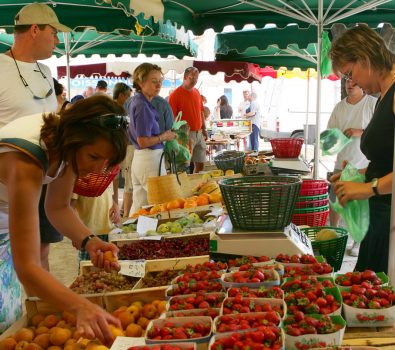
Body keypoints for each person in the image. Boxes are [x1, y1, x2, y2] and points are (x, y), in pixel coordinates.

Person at [0, 95, 128, 341]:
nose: (99, 168)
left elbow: (58, 207)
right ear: (76, 139)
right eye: (93, 157)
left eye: (106, 161)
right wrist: (80, 306)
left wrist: (89, 240)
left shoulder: (67, 145)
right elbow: (27, 267)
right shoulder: (27, 160)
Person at [0, 3, 71, 330]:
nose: (57, 38)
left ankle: (36, 318)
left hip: (43, 178)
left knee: (40, 254)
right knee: (19, 263)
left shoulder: (46, 73)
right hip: (10, 185)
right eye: (54, 31)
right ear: (34, 29)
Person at [329, 24, 395, 273]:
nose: (352, 81)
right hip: (378, 219)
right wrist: (358, 176)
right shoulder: (382, 95)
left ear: (365, 58)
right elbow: (388, 161)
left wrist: (368, 188)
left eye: (349, 73)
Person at [326, 78, 376, 256]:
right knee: (336, 201)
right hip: (342, 161)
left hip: (364, 163)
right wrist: (335, 137)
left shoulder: (372, 103)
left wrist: (359, 132)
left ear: (362, 84)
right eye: (347, 81)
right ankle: (334, 235)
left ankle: (358, 241)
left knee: (360, 205)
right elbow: (330, 132)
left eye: (354, 81)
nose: (350, 84)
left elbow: (380, 132)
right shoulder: (340, 107)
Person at [128, 63, 177, 214]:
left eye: (160, 81)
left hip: (141, 159)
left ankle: (133, 235)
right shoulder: (142, 105)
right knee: (157, 205)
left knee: (140, 204)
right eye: (153, 81)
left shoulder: (137, 101)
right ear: (141, 82)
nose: (159, 85)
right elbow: (143, 141)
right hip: (149, 158)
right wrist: (165, 136)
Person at [168, 67, 207, 173]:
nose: (195, 80)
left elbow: (201, 111)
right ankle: (183, 187)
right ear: (185, 77)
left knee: (201, 164)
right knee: (183, 166)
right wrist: (177, 137)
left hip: (199, 133)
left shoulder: (197, 92)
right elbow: (171, 119)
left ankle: (195, 186)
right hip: (184, 135)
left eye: (196, 78)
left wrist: (204, 129)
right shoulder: (175, 95)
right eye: (192, 77)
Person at [113, 82, 134, 217]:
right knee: (126, 182)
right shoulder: (117, 110)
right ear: (121, 95)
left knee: (120, 181)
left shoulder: (120, 108)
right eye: (127, 96)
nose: (129, 98)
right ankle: (122, 213)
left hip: (120, 147)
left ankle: (119, 210)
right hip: (122, 148)